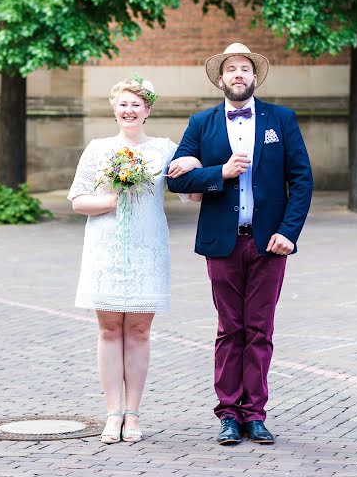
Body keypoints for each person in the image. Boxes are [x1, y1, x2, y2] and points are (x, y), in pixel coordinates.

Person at [167, 43, 313, 445]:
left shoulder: (281, 119)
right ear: (220, 79)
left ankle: (256, 414)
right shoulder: (201, 123)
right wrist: (220, 172)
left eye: (244, 69)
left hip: (270, 244)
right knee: (230, 329)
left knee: (260, 329)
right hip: (223, 244)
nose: (237, 74)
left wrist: (289, 231)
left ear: (254, 78)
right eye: (230, 68)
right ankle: (228, 413)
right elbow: (175, 178)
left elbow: (301, 179)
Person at [68, 77, 201, 444]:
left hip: (147, 249)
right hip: (105, 249)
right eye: (124, 104)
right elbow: (78, 200)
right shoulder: (98, 149)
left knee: (140, 331)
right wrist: (112, 199)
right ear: (115, 108)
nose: (129, 110)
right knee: (110, 330)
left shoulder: (163, 149)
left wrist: (194, 163)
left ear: (148, 110)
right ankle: (112, 414)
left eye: (137, 105)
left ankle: (133, 413)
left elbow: (189, 195)